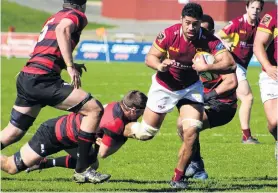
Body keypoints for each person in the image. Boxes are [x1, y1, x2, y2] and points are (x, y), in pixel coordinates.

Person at [124, 3, 236, 189]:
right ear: (181, 21)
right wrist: (160, 65)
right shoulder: (169, 34)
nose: (191, 28)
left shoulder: (209, 39)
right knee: (146, 133)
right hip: (165, 86)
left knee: (191, 130)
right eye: (188, 23)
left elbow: (230, 64)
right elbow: (150, 57)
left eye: (195, 24)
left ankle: (178, 178)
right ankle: (115, 127)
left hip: (191, 88)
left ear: (201, 23)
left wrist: (207, 67)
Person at [0, 0, 105, 182]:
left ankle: (81, 168)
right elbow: (62, 30)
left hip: (28, 76)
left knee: (13, 132)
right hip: (43, 79)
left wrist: (68, 64)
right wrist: (70, 66)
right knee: (94, 109)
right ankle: (82, 170)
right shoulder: (76, 15)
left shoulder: (55, 16)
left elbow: (49, 48)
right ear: (82, 4)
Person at [1, 90, 148, 182]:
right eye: (142, 111)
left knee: (91, 163)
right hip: (52, 134)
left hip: (71, 137)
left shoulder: (118, 106)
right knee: (11, 167)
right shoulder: (115, 122)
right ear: (133, 110)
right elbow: (104, 152)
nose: (143, 115)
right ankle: (40, 162)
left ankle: (43, 163)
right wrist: (125, 135)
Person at [176, 14, 238, 180]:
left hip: (224, 105)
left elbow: (231, 82)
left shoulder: (219, 53)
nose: (198, 33)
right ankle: (196, 164)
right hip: (206, 99)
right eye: (196, 29)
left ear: (211, 32)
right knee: (182, 125)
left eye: (203, 30)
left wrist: (208, 96)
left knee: (187, 127)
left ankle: (196, 167)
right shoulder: (192, 48)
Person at [217, 0, 264, 144]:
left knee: (228, 101)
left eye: (258, 8)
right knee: (247, 98)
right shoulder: (237, 23)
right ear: (247, 8)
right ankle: (246, 136)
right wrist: (225, 44)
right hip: (233, 65)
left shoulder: (259, 26)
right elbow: (217, 37)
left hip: (241, 67)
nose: (255, 10)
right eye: (252, 7)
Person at [253, 9, 277, 158]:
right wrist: (268, 67)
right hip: (273, 75)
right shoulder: (273, 16)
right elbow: (258, 45)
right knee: (274, 122)